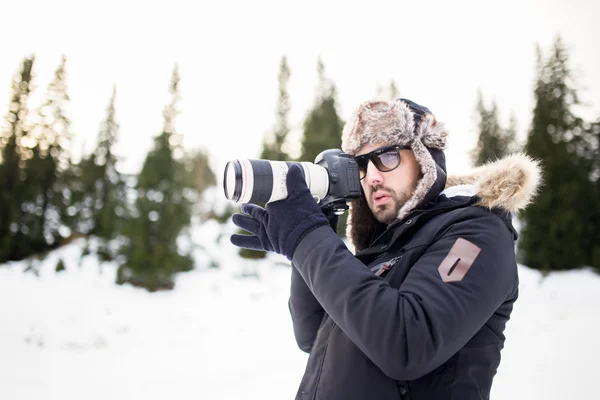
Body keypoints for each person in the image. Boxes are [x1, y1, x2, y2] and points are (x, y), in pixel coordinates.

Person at [230, 98, 541, 400]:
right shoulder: (387, 244)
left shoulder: (477, 233)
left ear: (424, 158)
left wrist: (308, 239)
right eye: (362, 165)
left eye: (387, 157)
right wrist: (301, 248)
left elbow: (408, 343)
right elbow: (312, 334)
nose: (373, 177)